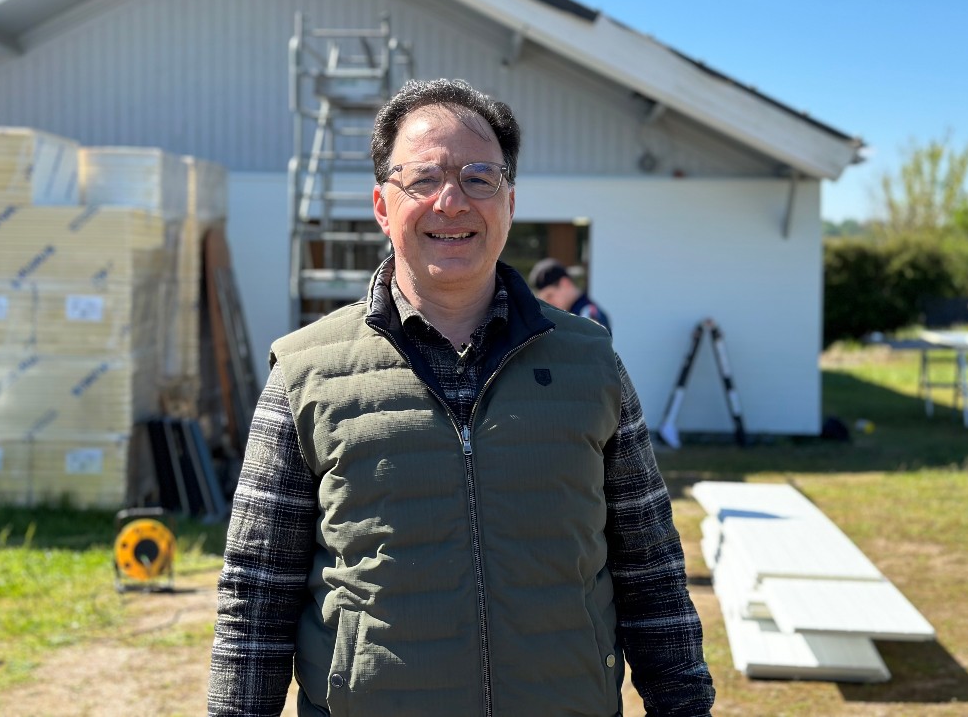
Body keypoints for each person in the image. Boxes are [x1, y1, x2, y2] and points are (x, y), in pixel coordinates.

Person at [208, 78, 714, 716]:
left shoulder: (591, 362)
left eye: (479, 176)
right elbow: (255, 596)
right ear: (382, 206)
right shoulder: (305, 371)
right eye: (422, 178)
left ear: (509, 202)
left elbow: (652, 575)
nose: (451, 200)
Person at [528, 257, 612, 333]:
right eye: (543, 300)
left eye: (550, 296)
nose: (547, 303)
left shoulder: (588, 314)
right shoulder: (567, 316)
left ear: (565, 283)